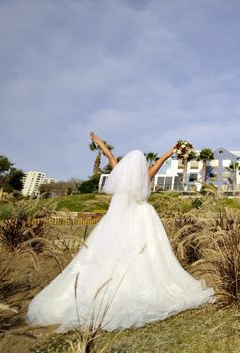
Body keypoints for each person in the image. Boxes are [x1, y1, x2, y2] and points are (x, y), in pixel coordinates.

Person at [26, 132, 213, 332]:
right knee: (147, 250)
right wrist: (174, 149)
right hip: (142, 218)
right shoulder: (146, 176)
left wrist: (98, 142)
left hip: (116, 221)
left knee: (109, 250)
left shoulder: (119, 174)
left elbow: (110, 157)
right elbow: (162, 160)